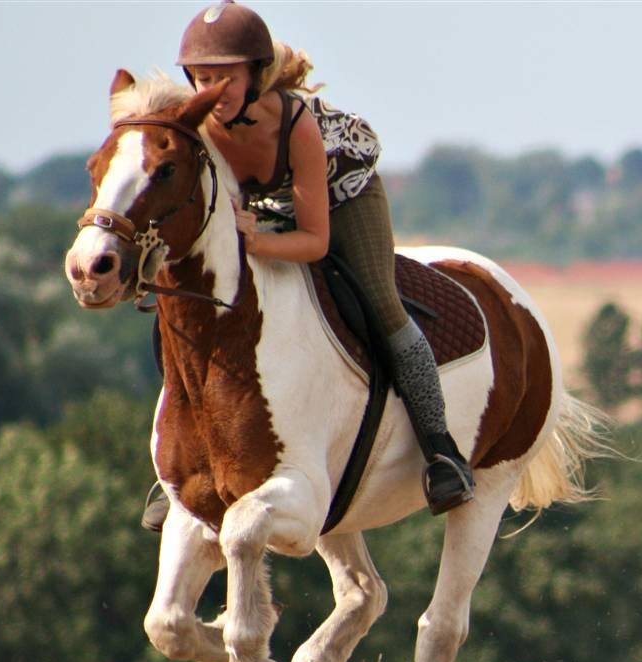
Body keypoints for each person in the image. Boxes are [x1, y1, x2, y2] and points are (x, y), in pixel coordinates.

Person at [142, 0, 473, 531]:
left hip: (342, 200)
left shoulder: (294, 124)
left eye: (224, 78)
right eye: (201, 78)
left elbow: (315, 242)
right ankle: (174, 470)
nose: (211, 91)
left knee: (382, 304)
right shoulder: (199, 127)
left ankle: (441, 451)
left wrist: (248, 241)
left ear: (255, 74)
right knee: (178, 320)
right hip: (266, 211)